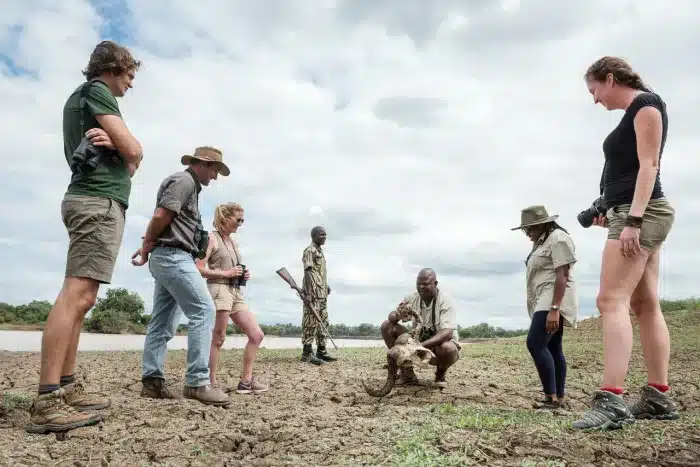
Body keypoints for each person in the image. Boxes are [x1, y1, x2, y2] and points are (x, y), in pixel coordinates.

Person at [26, 41, 144, 434]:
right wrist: (128, 148)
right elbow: (135, 152)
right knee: (76, 295)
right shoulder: (95, 91)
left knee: (84, 298)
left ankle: (66, 386)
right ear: (113, 67)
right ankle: (47, 400)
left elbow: (128, 163)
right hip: (95, 202)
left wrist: (125, 154)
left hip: (94, 199)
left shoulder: (83, 99)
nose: (130, 84)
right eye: (129, 75)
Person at [573, 56, 679, 430]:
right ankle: (657, 396)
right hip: (633, 212)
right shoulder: (635, 111)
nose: (595, 99)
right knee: (644, 303)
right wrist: (614, 213)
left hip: (642, 212)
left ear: (611, 78)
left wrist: (632, 219)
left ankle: (612, 399)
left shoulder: (646, 105)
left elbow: (650, 166)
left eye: (594, 90)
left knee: (610, 300)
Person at [131, 146, 231, 407]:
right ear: (201, 164)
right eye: (214, 169)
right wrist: (147, 245)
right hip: (174, 257)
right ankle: (197, 382)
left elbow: (165, 220)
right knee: (204, 311)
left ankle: (152, 381)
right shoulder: (184, 181)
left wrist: (148, 246)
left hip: (169, 256)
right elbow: (160, 215)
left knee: (162, 321)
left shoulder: (190, 186)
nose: (215, 176)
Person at [195, 202, 268, 394]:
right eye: (238, 219)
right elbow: (199, 268)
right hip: (219, 289)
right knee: (218, 338)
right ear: (225, 218)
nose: (241, 223)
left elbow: (233, 268)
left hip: (235, 291)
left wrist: (242, 274)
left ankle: (246, 381)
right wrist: (227, 273)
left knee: (256, 335)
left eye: (243, 219)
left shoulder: (234, 242)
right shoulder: (211, 238)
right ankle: (210, 382)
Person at [511, 205, 578, 411]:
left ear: (543, 224)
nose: (527, 233)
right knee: (552, 347)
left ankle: (551, 398)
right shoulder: (542, 242)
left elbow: (562, 275)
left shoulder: (558, 238)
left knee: (535, 343)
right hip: (542, 298)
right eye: (525, 229)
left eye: (530, 228)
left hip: (552, 298)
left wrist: (555, 308)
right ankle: (559, 397)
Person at [380, 268, 460, 388]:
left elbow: (447, 333)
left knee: (447, 348)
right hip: (417, 342)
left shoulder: (445, 300)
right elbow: (392, 317)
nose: (421, 287)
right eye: (419, 284)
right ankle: (407, 374)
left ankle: (440, 374)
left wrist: (419, 346)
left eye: (426, 284)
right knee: (387, 325)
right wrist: (397, 315)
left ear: (435, 284)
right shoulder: (412, 298)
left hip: (437, 349)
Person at [299, 226, 337, 365]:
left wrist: (325, 285)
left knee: (323, 321)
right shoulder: (310, 250)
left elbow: (318, 272)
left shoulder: (320, 251)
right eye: (321, 235)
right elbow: (308, 272)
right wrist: (308, 293)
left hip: (321, 293)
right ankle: (307, 353)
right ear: (314, 235)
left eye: (325, 235)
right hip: (313, 293)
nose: (324, 237)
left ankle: (322, 350)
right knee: (311, 322)